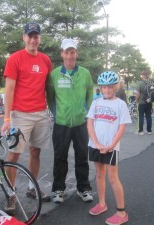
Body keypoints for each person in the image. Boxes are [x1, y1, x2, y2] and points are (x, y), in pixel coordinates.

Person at [0, 22, 52, 214]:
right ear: (24, 37)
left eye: (36, 36)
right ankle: (10, 194)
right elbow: (9, 89)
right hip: (20, 115)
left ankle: (32, 188)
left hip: (40, 113)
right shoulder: (15, 59)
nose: (33, 40)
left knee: (36, 152)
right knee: (14, 155)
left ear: (39, 38)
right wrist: (7, 119)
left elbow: (48, 88)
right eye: (29, 36)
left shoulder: (45, 60)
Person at [46, 38, 94, 203]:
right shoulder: (54, 74)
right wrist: (57, 113)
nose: (69, 55)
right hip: (61, 123)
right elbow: (50, 98)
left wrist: (86, 113)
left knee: (82, 157)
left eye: (72, 52)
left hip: (80, 123)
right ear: (62, 54)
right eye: (66, 52)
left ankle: (84, 188)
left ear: (76, 54)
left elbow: (90, 94)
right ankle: (58, 189)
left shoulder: (85, 73)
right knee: (60, 157)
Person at [87, 71, 131, 225]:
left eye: (110, 87)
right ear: (101, 88)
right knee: (99, 174)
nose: (107, 90)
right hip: (95, 145)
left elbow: (121, 128)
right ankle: (102, 204)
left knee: (113, 178)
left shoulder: (121, 104)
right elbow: (90, 124)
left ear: (115, 87)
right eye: (104, 88)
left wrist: (110, 146)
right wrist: (96, 143)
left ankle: (121, 212)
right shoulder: (96, 102)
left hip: (111, 147)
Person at [135, 70, 153, 135]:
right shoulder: (151, 83)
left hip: (142, 102)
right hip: (149, 102)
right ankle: (149, 130)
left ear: (143, 75)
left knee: (141, 116)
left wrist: (136, 100)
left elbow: (138, 93)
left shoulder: (140, 83)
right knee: (149, 116)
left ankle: (141, 131)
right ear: (147, 75)